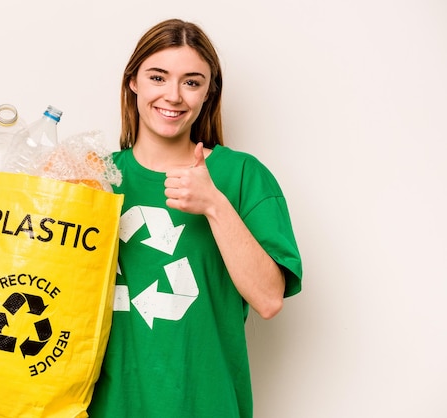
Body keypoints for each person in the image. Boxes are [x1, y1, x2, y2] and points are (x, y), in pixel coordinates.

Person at [88, 18, 302, 418]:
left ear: (209, 92)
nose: (173, 95)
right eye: (158, 77)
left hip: (205, 403)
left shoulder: (241, 176)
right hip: (104, 407)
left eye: (191, 81)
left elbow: (270, 299)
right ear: (133, 81)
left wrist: (214, 205)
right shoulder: (94, 177)